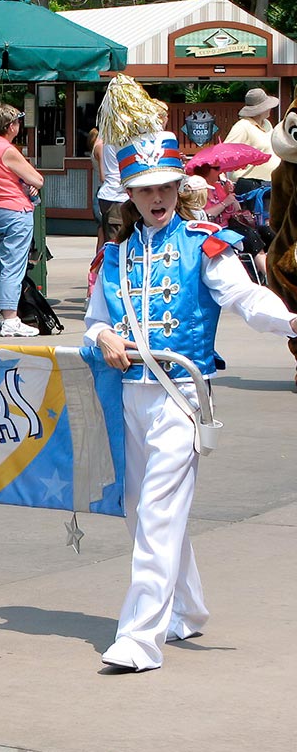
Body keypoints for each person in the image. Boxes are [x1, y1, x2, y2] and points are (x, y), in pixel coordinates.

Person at [86, 74, 297, 672]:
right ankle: (189, 610)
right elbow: (93, 323)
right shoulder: (115, 256)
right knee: (141, 511)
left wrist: (292, 323)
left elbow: (247, 301)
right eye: (145, 189)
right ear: (129, 193)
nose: (157, 198)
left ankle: (140, 638)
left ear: (181, 186)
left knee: (156, 512)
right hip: (129, 396)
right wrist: (102, 336)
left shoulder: (207, 245)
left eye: (166, 187)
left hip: (182, 397)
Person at [0, 102, 43, 337]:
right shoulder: (7, 150)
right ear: (10, 126)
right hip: (15, 212)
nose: (18, 126)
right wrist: (29, 183)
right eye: (16, 122)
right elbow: (37, 179)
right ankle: (10, 319)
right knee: (12, 266)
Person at [190, 162, 269, 278]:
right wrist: (225, 202)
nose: (220, 171)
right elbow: (204, 217)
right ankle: (268, 275)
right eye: (216, 168)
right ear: (205, 170)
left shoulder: (219, 187)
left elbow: (237, 210)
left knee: (267, 231)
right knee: (252, 237)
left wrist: (230, 194)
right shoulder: (197, 191)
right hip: (218, 231)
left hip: (232, 224)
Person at [225, 87, 282, 186]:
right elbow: (225, 152)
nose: (270, 108)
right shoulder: (242, 126)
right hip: (251, 184)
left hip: (270, 182)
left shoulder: (267, 124)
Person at [91, 126, 127, 247]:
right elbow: (104, 176)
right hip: (115, 196)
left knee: (104, 239)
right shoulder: (105, 144)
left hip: (108, 195)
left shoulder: (104, 143)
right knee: (115, 245)